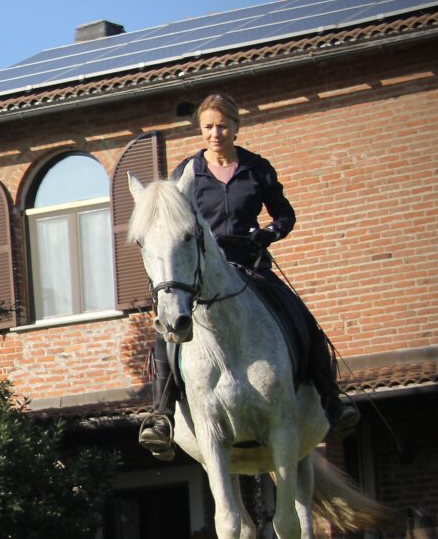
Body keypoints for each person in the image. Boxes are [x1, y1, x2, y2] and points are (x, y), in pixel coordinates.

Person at [138, 93, 360, 460]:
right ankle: (161, 417)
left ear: (236, 128)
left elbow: (285, 215)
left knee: (301, 316)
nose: (215, 133)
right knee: (167, 331)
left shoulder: (257, 168)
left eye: (222, 126)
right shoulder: (186, 173)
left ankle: (331, 400)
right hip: (203, 275)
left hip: (251, 267)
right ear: (200, 130)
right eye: (208, 127)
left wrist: (268, 233)